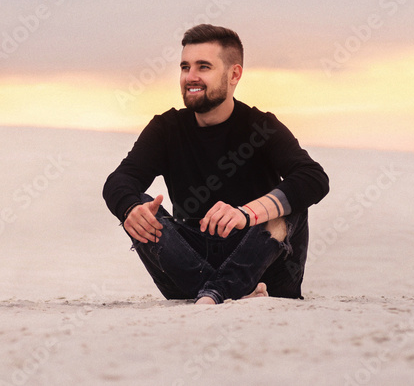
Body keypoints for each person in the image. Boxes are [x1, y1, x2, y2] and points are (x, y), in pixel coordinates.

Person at [103, 24, 329, 305]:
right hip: (188, 264)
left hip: (261, 266)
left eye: (203, 67)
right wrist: (130, 209)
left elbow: (314, 178)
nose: (190, 77)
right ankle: (223, 290)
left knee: (291, 203)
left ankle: (216, 292)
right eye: (185, 67)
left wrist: (246, 214)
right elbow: (120, 180)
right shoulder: (167, 128)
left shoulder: (261, 127)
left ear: (234, 74)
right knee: (137, 203)